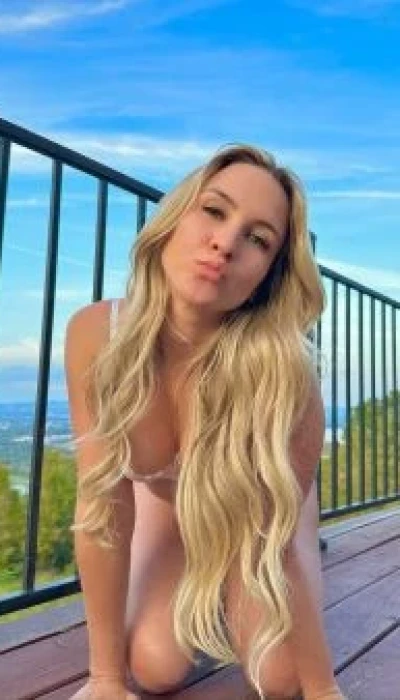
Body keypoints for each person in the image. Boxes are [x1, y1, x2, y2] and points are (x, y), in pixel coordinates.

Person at [64, 144, 346, 700]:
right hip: (164, 511)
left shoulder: (283, 369)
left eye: (258, 239)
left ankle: (232, 581)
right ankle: (201, 581)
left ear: (267, 277)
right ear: (175, 218)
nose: (225, 243)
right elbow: (103, 509)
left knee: (280, 679)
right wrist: (105, 680)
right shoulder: (97, 334)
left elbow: (277, 541)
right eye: (214, 211)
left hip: (256, 523)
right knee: (155, 669)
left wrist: (324, 691)